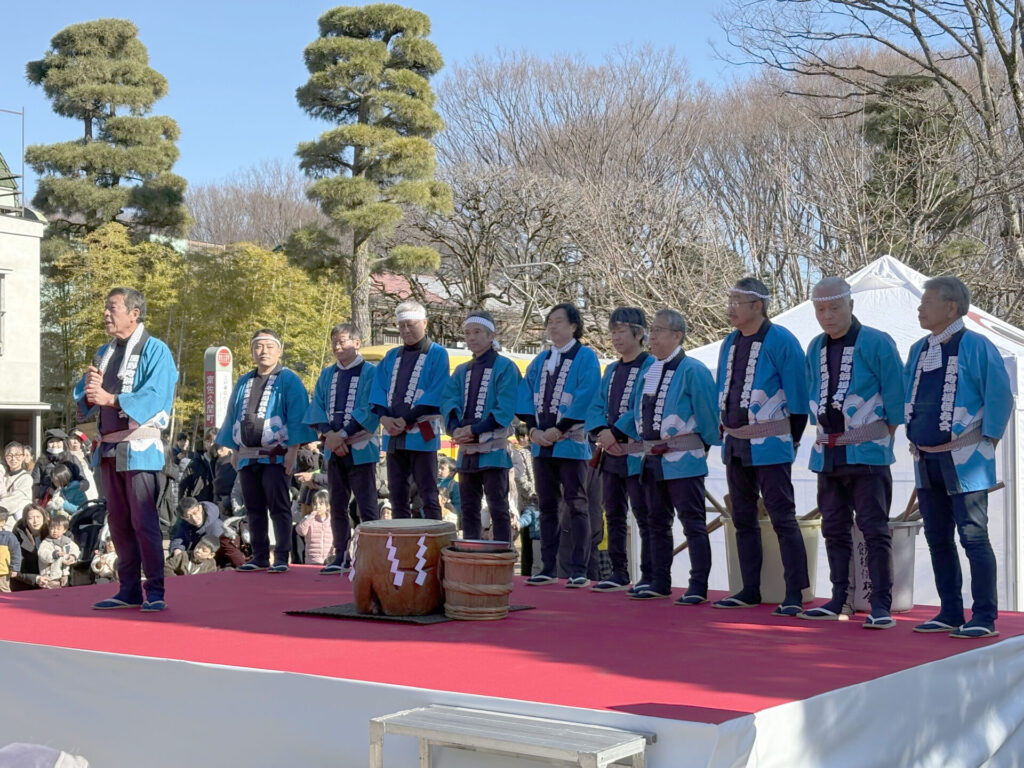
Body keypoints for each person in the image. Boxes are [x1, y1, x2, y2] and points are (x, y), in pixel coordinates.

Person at [905, 276, 1013, 639]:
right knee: (937, 536)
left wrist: (987, 442)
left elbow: (1000, 396)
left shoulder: (977, 345)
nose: (920, 308)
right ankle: (949, 611)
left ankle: (984, 616)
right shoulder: (918, 349)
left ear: (950, 307)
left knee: (973, 536)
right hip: (925, 458)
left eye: (927, 302)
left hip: (967, 458)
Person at [799, 277, 905, 629]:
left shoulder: (877, 342)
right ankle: (839, 598)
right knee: (833, 528)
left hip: (868, 455)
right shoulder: (814, 346)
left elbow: (896, 399)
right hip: (827, 454)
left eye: (834, 308)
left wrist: (879, 439)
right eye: (820, 310)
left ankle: (880, 605)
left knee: (874, 529)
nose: (827, 316)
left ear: (850, 305)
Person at [74, 287, 178, 612]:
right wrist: (89, 391)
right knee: (118, 522)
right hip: (108, 448)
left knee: (144, 521)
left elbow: (157, 394)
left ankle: (156, 590)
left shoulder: (156, 349)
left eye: (113, 308)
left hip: (140, 447)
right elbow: (86, 398)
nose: (106, 314)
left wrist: (111, 398)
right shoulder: (103, 352)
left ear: (134, 313)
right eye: (105, 308)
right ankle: (128, 589)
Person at [713, 277, 811, 616]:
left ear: (758, 305)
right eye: (729, 300)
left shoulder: (782, 340)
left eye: (737, 302)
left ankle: (795, 592)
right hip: (735, 443)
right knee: (742, 518)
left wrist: (791, 440)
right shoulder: (728, 342)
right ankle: (749, 589)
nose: (730, 308)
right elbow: (722, 388)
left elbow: (798, 398)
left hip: (772, 442)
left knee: (783, 517)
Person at [619, 309, 721, 602]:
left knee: (693, 523)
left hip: (684, 458)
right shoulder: (649, 371)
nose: (651, 336)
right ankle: (659, 581)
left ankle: (698, 585)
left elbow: (708, 416)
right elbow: (637, 412)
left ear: (677, 336)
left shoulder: (694, 370)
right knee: (656, 521)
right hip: (651, 458)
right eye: (651, 330)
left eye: (658, 330)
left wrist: (702, 445)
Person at [217, 328, 316, 573]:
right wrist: (234, 449)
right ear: (252, 351)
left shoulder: (289, 379)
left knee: (279, 507)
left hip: (276, 455)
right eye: (258, 347)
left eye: (269, 347)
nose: (263, 351)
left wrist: (293, 450)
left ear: (279, 351)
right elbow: (232, 415)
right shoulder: (244, 381)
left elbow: (297, 414)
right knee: (253, 507)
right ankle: (260, 556)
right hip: (247, 455)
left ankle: (281, 556)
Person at [516, 303, 601, 588]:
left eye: (558, 321)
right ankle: (547, 567)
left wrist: (559, 429)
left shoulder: (586, 357)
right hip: (542, 444)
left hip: (571, 444)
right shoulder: (541, 359)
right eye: (549, 321)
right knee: (547, 505)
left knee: (577, 504)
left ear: (574, 326)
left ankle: (579, 568)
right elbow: (525, 393)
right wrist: (533, 428)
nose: (552, 326)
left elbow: (587, 394)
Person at [303, 322, 381, 574]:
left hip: (361, 446)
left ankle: (373, 555)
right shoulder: (327, 374)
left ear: (357, 343)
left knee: (367, 505)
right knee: (337, 504)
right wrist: (329, 435)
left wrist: (343, 435)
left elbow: (370, 407)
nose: (337, 346)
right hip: (333, 449)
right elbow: (317, 407)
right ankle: (340, 555)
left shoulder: (370, 372)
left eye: (343, 341)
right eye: (334, 342)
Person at [585, 307, 651, 592]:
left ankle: (649, 574)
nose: (615, 338)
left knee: (644, 514)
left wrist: (616, 432)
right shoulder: (611, 369)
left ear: (639, 333)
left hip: (637, 453)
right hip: (610, 453)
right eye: (612, 332)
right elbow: (597, 405)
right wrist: (601, 431)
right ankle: (618, 571)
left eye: (621, 331)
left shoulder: (650, 365)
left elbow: (642, 406)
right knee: (613, 513)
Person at [442, 311, 522, 543]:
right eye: (467, 333)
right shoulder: (461, 370)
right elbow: (449, 400)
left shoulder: (505, 367)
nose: (471, 337)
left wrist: (473, 430)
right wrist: (455, 428)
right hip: (466, 451)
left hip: (494, 450)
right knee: (468, 509)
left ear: (491, 335)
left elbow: (506, 407)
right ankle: (471, 552)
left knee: (498, 507)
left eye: (477, 332)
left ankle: (502, 552)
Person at [370, 301, 450, 520]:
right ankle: (400, 537)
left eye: (411, 324)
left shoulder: (437, 353)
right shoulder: (391, 356)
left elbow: (437, 391)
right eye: (402, 325)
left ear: (424, 323)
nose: (406, 330)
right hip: (393, 434)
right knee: (397, 494)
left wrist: (405, 419)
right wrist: (384, 418)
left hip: (421, 432)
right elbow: (378, 390)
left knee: (427, 492)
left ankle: (433, 536)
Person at [31, 429, 88, 502]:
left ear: (63, 443)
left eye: (58, 442)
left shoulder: (72, 459)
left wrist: (74, 487)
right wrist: (48, 490)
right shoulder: (41, 462)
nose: (54, 445)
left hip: (71, 500)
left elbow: (85, 482)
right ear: (46, 444)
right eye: (51, 442)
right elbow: (34, 486)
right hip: (49, 501)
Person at [12, 504, 50, 589]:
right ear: (25, 521)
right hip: (28, 582)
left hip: (51, 579)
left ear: (44, 518)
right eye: (31, 518)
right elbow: (16, 568)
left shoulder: (53, 530)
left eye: (38, 517)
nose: (35, 521)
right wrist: (36, 578)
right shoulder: (17, 536)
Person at [36, 513, 80, 588]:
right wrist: (54, 555)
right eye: (52, 528)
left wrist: (72, 556)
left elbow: (75, 549)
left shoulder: (67, 541)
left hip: (64, 574)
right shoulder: (46, 543)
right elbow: (42, 554)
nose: (55, 531)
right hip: (50, 576)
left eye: (58, 529)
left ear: (64, 530)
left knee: (65, 591)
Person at [296, 489, 334, 567]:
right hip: (312, 560)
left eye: (321, 504)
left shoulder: (332, 521)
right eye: (315, 504)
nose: (317, 507)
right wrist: (310, 517)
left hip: (328, 560)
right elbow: (301, 531)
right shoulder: (308, 519)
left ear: (327, 506)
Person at [2, 443, 32, 530]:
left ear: (23, 457)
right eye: (9, 456)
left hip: (13, 525)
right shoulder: (3, 475)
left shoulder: (26, 478)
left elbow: (13, 502)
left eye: (17, 455)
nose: (13, 459)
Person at [0, 507, 22, 592]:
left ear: (2, 522)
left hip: (2, 572)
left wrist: (15, 568)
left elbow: (16, 553)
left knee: (4, 589)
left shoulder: (9, 537)